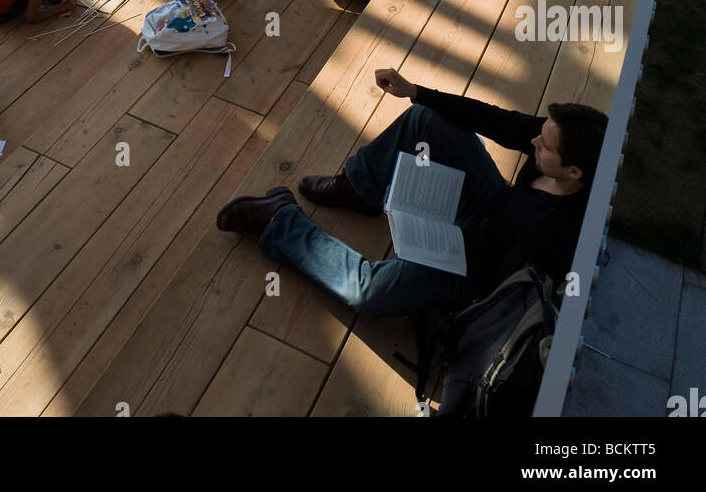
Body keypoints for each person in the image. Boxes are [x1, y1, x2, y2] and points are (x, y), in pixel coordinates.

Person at [216, 75, 609, 330]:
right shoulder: (563, 148)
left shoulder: (553, 236)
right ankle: (359, 187)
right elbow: (495, 120)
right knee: (427, 118)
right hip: (495, 209)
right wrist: (416, 91)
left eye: (545, 145)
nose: (534, 141)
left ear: (574, 173)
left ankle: (277, 220)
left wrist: (438, 246)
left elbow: (499, 298)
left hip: (475, 272)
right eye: (540, 132)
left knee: (367, 293)